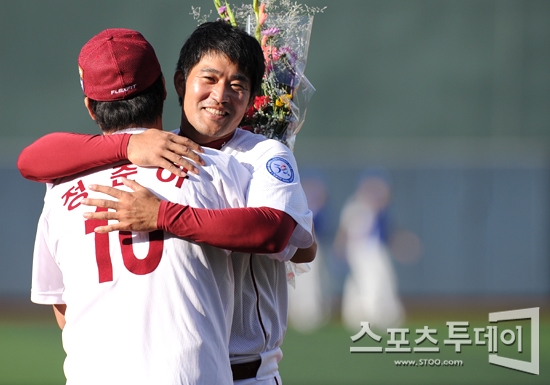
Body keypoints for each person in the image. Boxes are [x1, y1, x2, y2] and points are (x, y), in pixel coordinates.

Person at [19, 22, 315, 384]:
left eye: (237, 85)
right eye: (208, 79)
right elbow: (33, 159)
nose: (220, 95)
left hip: (244, 368)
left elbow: (282, 236)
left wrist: (161, 213)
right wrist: (129, 145)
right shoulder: (206, 166)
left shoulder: (258, 154)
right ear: (173, 85)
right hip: (202, 368)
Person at [334, 176, 405, 331]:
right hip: (360, 250)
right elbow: (344, 231)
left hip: (373, 249)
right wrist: (339, 249)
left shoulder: (377, 208)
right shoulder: (355, 206)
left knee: (375, 281)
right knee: (370, 283)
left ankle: (360, 316)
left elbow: (388, 230)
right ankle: (373, 317)